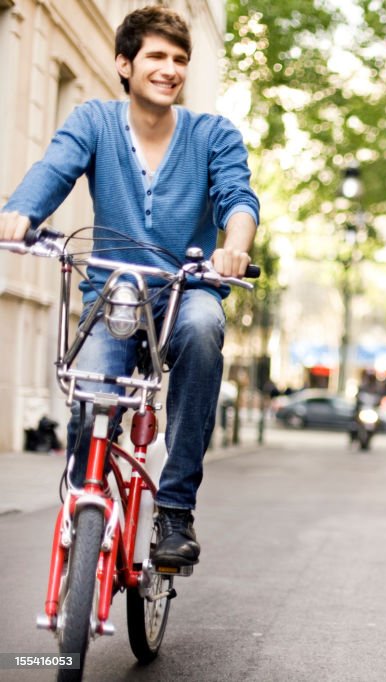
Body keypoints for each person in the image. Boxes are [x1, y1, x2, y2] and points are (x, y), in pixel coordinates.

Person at [0, 6, 259, 568]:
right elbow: (54, 168)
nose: (170, 70)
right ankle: (81, 497)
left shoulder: (212, 133)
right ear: (125, 63)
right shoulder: (94, 120)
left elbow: (238, 199)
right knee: (89, 396)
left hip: (185, 286)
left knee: (204, 326)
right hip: (113, 292)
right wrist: (20, 212)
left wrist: (235, 243)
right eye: (157, 57)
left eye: (180, 60)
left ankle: (174, 511)